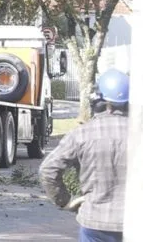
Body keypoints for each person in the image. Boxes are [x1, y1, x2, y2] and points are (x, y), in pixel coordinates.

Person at [39, 68, 129, 242]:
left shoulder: (81, 134)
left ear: (99, 102)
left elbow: (48, 170)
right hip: (138, 223)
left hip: (95, 222)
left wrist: (64, 201)